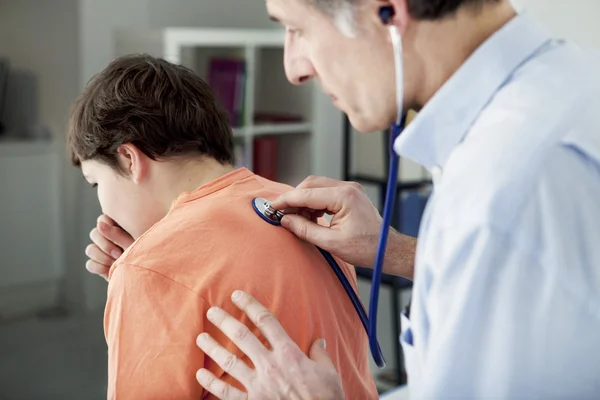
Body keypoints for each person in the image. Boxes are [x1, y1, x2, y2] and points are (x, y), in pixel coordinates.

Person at [190, 0, 599, 398]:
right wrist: (398, 253)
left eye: (297, 29)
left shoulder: (504, 191)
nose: (294, 69)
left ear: (387, 12)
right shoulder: (567, 84)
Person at [69, 54, 379, 399]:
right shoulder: (311, 212)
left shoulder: (149, 269)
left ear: (129, 159)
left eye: (95, 183)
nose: (105, 211)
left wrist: (144, 274)